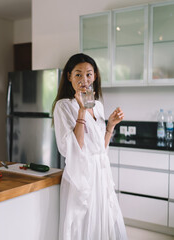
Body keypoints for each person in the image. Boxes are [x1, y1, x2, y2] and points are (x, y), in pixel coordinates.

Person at [52, 53, 128, 240]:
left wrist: (110, 126)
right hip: (81, 176)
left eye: (88, 74)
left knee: (104, 225)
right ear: (69, 76)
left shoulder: (99, 106)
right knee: (82, 227)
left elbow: (99, 149)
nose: (84, 80)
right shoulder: (63, 106)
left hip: (100, 175)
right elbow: (73, 149)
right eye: (78, 74)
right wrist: (81, 110)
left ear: (94, 76)